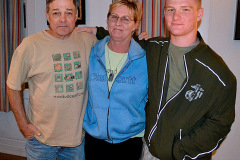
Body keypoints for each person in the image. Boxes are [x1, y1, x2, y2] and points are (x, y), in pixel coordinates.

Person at [78, 0, 237, 159]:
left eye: (185, 10)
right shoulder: (153, 48)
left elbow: (220, 123)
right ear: (164, 14)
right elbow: (119, 37)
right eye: (171, 10)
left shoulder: (218, 72)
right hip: (148, 151)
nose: (176, 17)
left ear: (199, 14)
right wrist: (96, 30)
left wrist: (180, 150)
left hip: (187, 156)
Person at [6, 0, 97, 159]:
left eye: (68, 13)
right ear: (47, 16)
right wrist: (23, 125)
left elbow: (117, 43)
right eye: (56, 13)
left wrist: (141, 40)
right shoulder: (30, 45)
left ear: (76, 15)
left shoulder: (88, 42)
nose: (63, 19)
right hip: (41, 139)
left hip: (76, 141)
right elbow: (13, 86)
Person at [81, 0, 148, 159]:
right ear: (107, 21)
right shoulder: (92, 52)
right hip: (94, 139)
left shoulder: (146, 59)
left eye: (126, 19)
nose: (118, 23)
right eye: (114, 17)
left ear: (135, 25)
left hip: (130, 141)